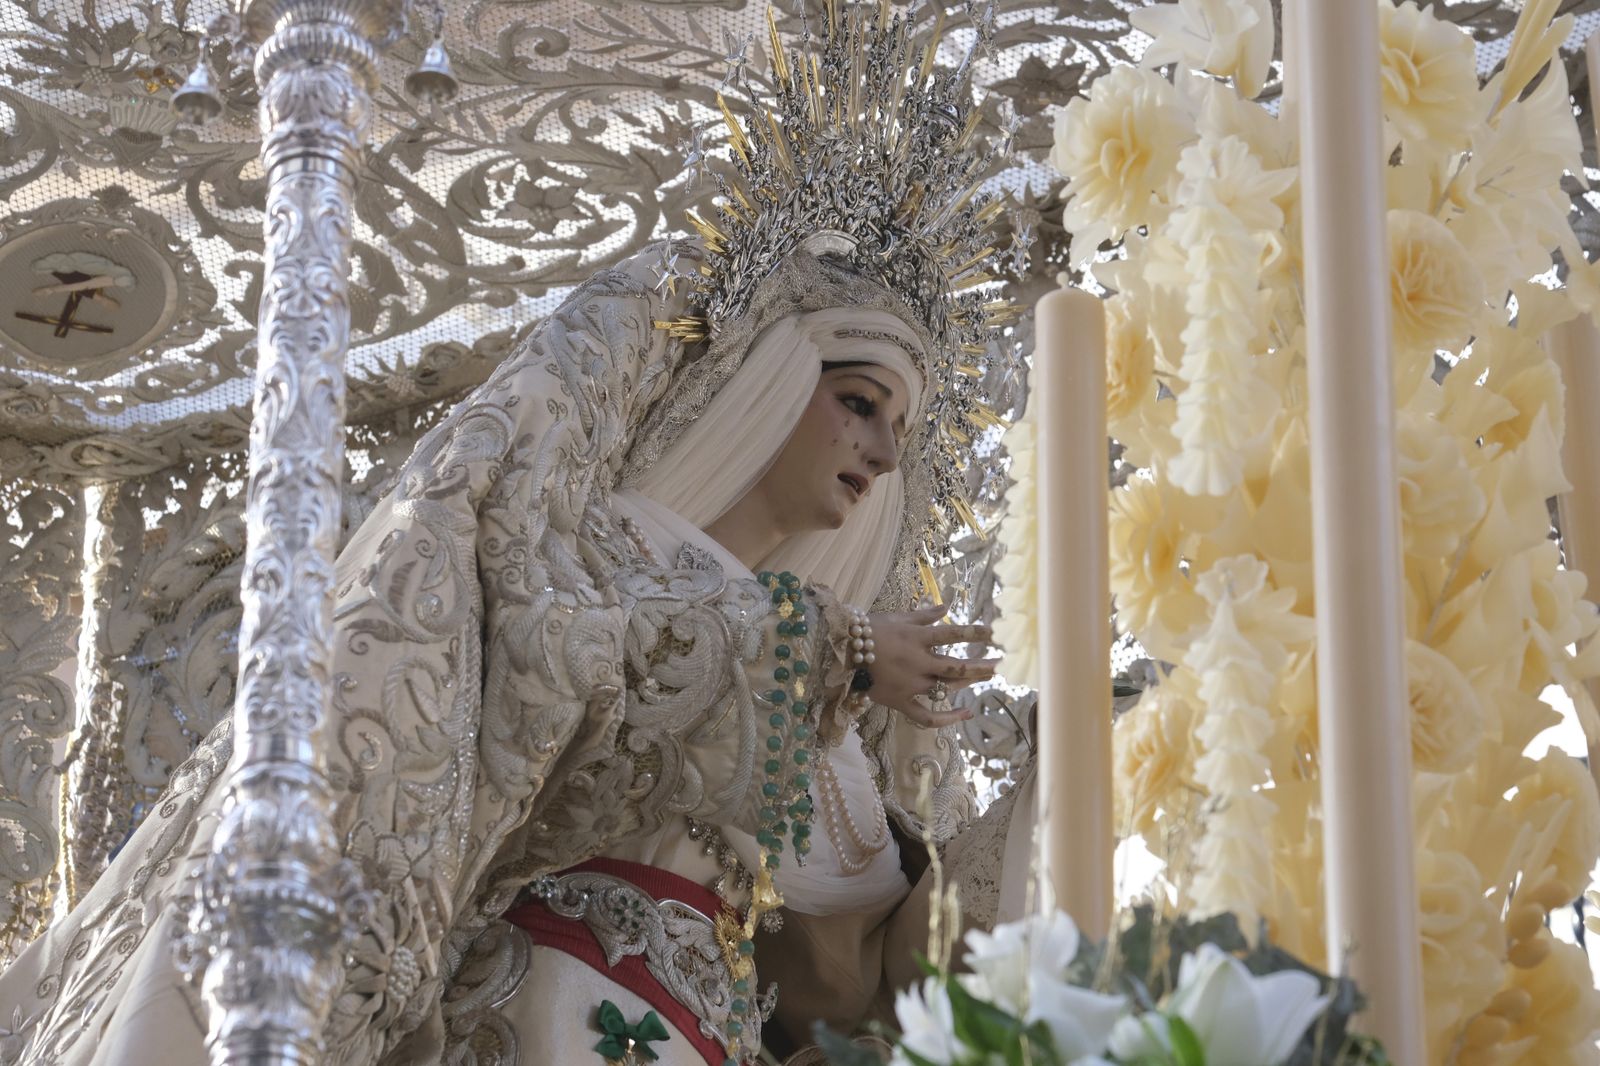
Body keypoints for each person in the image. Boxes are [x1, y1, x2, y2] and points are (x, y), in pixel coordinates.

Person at [0, 4, 1034, 1063]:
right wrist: (837, 649)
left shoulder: (812, 676)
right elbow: (552, 689)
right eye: (859, 401)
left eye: (900, 426)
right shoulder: (614, 554)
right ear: (767, 383)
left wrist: (1049, 785)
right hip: (554, 1009)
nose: (883, 452)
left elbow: (855, 976)